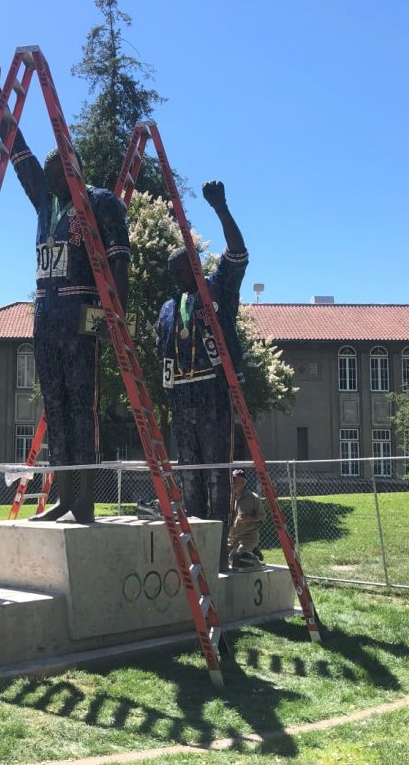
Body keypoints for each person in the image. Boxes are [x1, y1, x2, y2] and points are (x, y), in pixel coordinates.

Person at [0, 60, 130, 523]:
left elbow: (121, 260)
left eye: (56, 168)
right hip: (45, 317)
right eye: (45, 172)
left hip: (80, 313)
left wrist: (114, 318)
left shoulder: (100, 202)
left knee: (82, 407)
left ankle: (84, 498)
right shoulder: (46, 204)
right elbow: (17, 152)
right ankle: (63, 495)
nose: (46, 175)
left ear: (74, 168)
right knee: (56, 405)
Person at [155, 180, 247, 570]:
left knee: (216, 474)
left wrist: (221, 209)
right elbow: (164, 358)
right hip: (182, 398)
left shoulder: (217, 289)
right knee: (189, 474)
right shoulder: (166, 309)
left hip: (212, 392)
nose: (177, 277)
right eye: (172, 272)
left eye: (182, 269)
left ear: (194, 266)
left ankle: (220, 555)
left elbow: (238, 254)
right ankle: (197, 552)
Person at [228, 469, 266, 570]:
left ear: (244, 482)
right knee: (221, 558)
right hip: (232, 538)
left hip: (248, 536)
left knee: (235, 559)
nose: (233, 482)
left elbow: (262, 516)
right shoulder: (229, 497)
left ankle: (257, 560)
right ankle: (252, 552)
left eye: (236, 480)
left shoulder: (253, 497)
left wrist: (249, 518)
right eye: (232, 480)